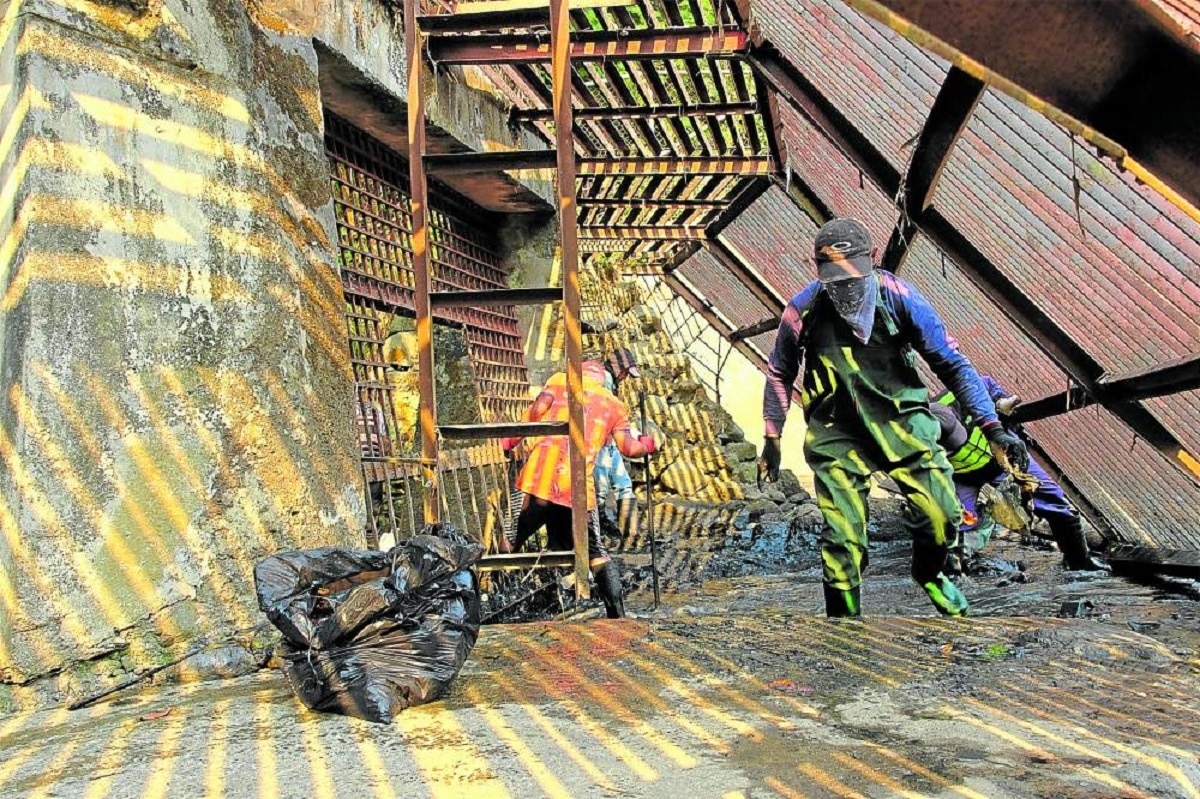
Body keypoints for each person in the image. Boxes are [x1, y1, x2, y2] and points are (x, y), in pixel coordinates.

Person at [758, 217, 1029, 618]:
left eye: (853, 278)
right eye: (836, 280)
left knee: (941, 513)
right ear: (818, 270)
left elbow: (953, 364)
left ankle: (931, 574)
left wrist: (992, 428)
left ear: (873, 259)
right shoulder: (802, 310)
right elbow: (780, 371)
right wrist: (772, 437)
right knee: (843, 538)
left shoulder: (901, 298)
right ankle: (843, 625)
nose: (846, 289)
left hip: (903, 420)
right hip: (837, 431)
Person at [501, 360, 657, 618]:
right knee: (596, 553)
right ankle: (617, 615)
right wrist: (647, 445)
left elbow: (536, 411)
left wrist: (510, 439)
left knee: (512, 538)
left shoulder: (560, 380)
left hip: (538, 480)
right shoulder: (614, 405)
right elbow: (629, 448)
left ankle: (496, 594)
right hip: (576, 489)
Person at [929, 377, 1108, 572]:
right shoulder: (914, 441)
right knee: (958, 520)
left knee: (1053, 500)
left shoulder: (959, 395)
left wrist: (1000, 401)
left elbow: (985, 383)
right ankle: (957, 568)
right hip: (961, 475)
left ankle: (1079, 561)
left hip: (1004, 458)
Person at [593, 348, 642, 542]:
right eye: (625, 372)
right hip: (600, 441)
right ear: (618, 367)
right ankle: (601, 529)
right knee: (602, 487)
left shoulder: (612, 382)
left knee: (623, 483)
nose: (625, 377)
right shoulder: (603, 380)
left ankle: (628, 531)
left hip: (609, 439)